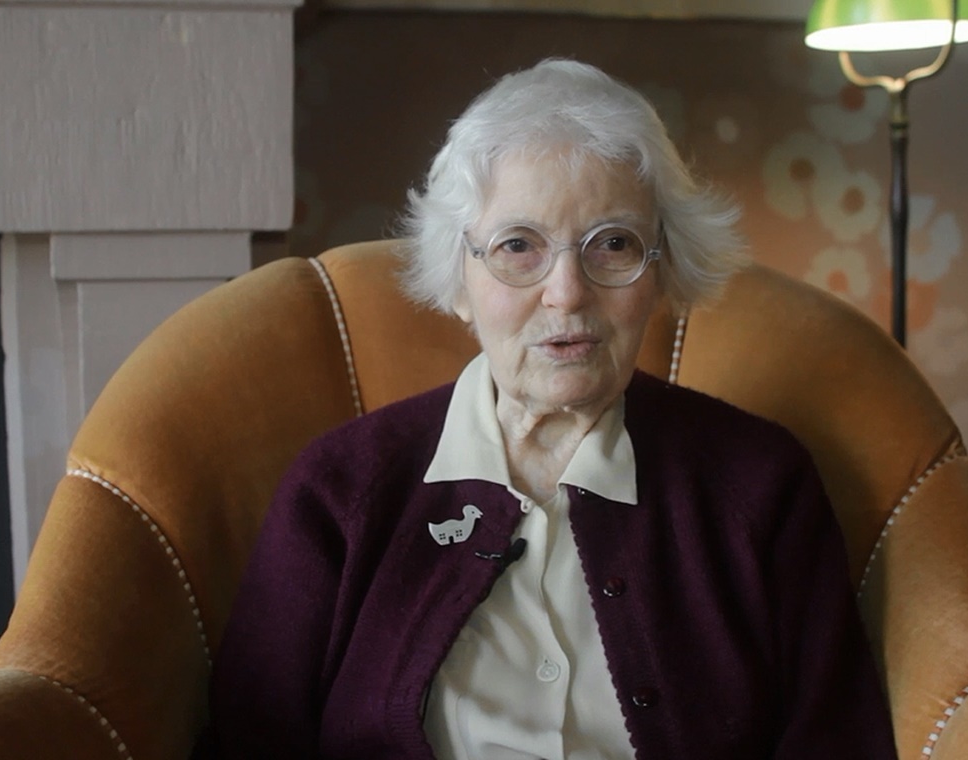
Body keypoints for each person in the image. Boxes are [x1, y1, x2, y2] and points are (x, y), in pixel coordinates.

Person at [209, 59, 898, 759]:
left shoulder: (760, 486)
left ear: (661, 271)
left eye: (614, 244)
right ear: (458, 280)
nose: (567, 292)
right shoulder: (340, 491)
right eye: (518, 246)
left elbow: (837, 741)